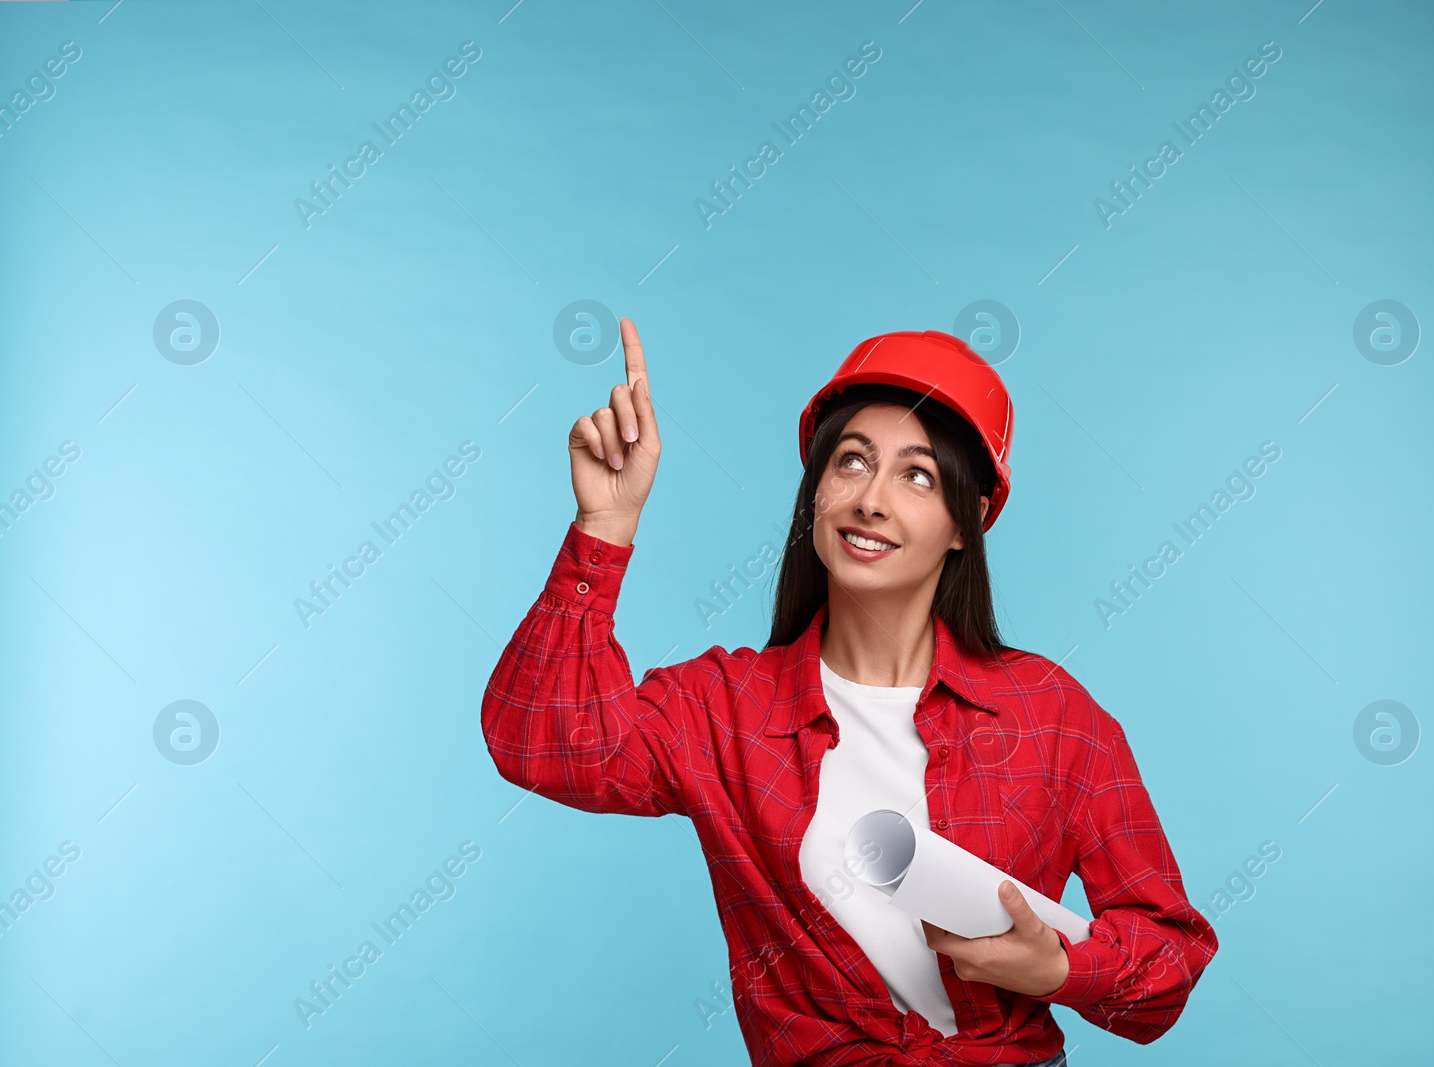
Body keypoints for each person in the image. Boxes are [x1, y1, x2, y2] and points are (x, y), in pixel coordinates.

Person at [482, 319, 1218, 1066]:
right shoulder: (723, 707)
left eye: (918, 474)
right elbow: (543, 745)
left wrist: (1058, 969)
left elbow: (1169, 959)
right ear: (816, 492)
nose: (871, 499)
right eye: (852, 461)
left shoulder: (1054, 714)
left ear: (966, 523)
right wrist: (604, 527)